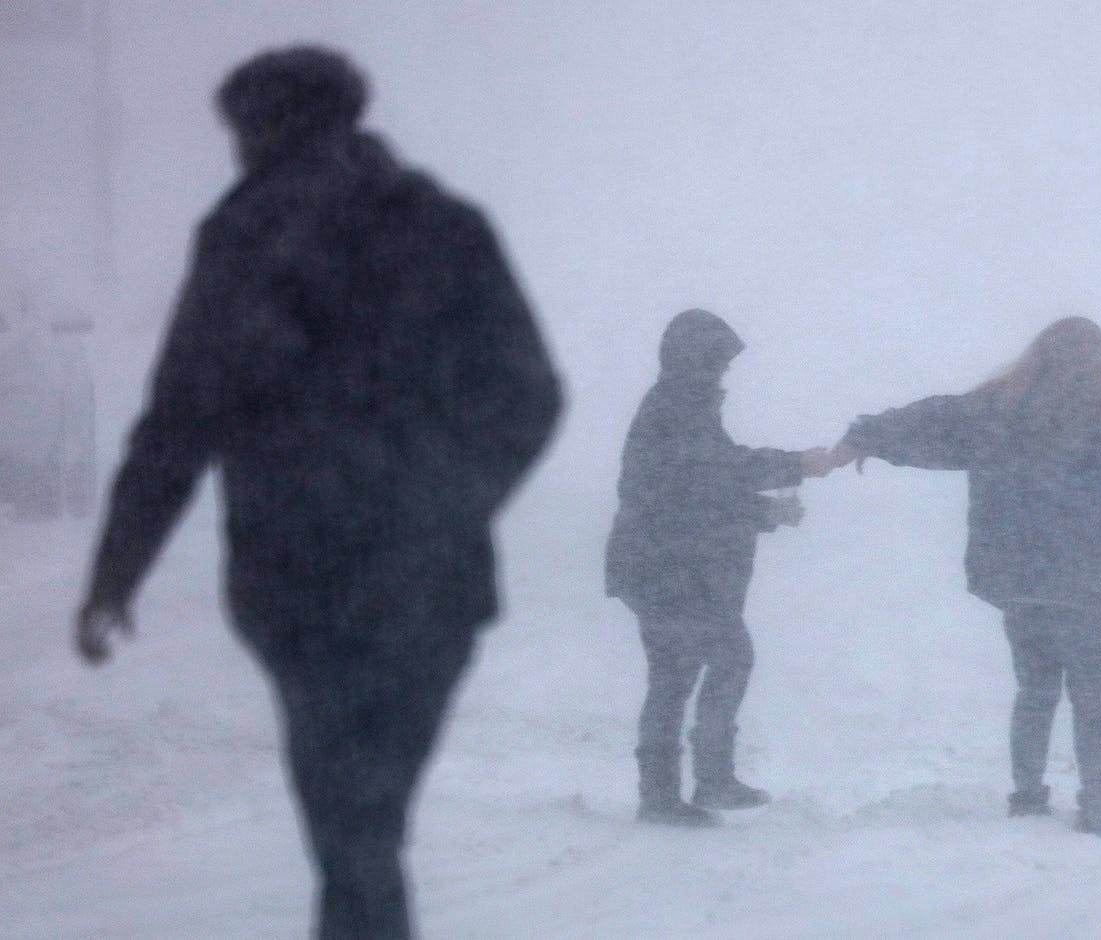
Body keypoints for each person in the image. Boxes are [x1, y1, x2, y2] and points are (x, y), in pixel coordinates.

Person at [74, 46, 561, 938]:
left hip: (299, 581)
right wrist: (441, 506)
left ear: (263, 128)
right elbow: (528, 396)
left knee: (353, 827)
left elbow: (180, 420)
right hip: (431, 590)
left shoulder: (250, 237)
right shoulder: (447, 227)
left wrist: (116, 574)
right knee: (365, 825)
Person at [831, 316, 1101, 841]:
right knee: (1093, 695)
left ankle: (1027, 797)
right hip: (1087, 579)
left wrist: (862, 438)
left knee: (1035, 688)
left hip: (1020, 575)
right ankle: (1097, 804)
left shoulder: (1001, 411)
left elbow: (931, 422)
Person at [606, 308, 835, 827]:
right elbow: (711, 480)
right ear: (699, 359)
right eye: (719, 362)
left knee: (678, 672)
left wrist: (764, 511)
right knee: (719, 661)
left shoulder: (681, 406)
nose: (724, 373)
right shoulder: (677, 407)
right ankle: (690, 787)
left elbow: (702, 486)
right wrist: (795, 464)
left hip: (660, 565)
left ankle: (677, 790)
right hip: (665, 567)